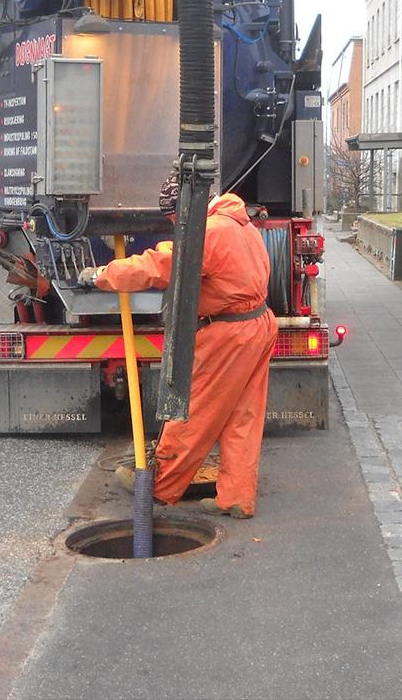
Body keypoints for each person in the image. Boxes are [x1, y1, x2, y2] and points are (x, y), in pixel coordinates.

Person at [78, 174, 278, 518]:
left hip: (228, 333)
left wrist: (101, 275)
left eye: (174, 219)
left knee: (195, 410)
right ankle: (237, 497)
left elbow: (159, 265)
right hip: (258, 324)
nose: (174, 226)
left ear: (184, 209)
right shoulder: (240, 223)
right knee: (242, 416)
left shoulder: (209, 232)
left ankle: (159, 487)